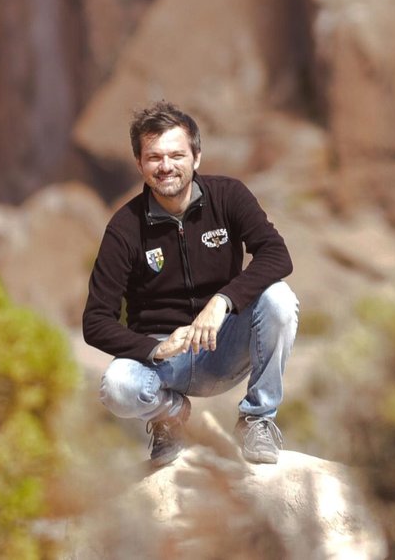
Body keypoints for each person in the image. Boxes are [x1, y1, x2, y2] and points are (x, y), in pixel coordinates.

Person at [82, 100, 298, 466]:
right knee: (117, 387)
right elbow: (95, 321)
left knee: (279, 299)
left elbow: (277, 256)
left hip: (225, 346)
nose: (166, 166)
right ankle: (170, 417)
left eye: (176, 155)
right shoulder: (124, 227)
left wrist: (224, 302)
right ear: (139, 163)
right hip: (164, 364)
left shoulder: (229, 196)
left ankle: (258, 420)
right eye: (154, 157)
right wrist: (154, 349)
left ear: (196, 156)